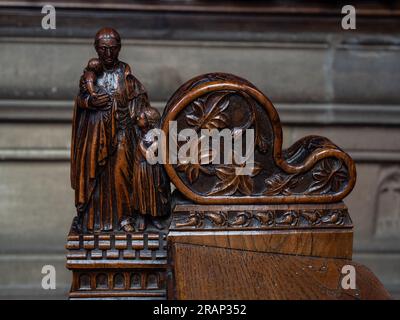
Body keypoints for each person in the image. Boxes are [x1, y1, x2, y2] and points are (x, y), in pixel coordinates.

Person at [71, 28, 153, 233]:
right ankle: (93, 221)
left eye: (112, 49)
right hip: (96, 134)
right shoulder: (91, 75)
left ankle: (125, 218)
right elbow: (80, 102)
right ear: (96, 49)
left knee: (122, 175)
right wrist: (90, 101)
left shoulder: (127, 77)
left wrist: (140, 120)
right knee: (96, 177)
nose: (108, 54)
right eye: (103, 49)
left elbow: (141, 104)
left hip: (123, 133)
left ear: (119, 48)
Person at [133, 112, 171, 231]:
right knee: (142, 193)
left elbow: (150, 155)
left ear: (149, 121)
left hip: (154, 170)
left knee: (154, 194)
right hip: (141, 169)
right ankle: (142, 216)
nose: (138, 118)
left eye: (141, 118)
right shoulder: (137, 134)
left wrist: (143, 147)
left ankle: (155, 217)